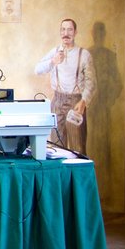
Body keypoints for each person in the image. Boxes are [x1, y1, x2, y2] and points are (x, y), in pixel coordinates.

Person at [34, 18, 96, 154]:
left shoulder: (84, 54)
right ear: (60, 32)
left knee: (77, 147)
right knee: (56, 146)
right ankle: (59, 175)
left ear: (75, 32)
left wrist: (84, 101)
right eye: (63, 29)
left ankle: (76, 175)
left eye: (69, 29)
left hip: (76, 103)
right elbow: (37, 69)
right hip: (57, 101)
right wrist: (52, 61)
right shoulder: (55, 52)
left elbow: (91, 82)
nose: (66, 33)